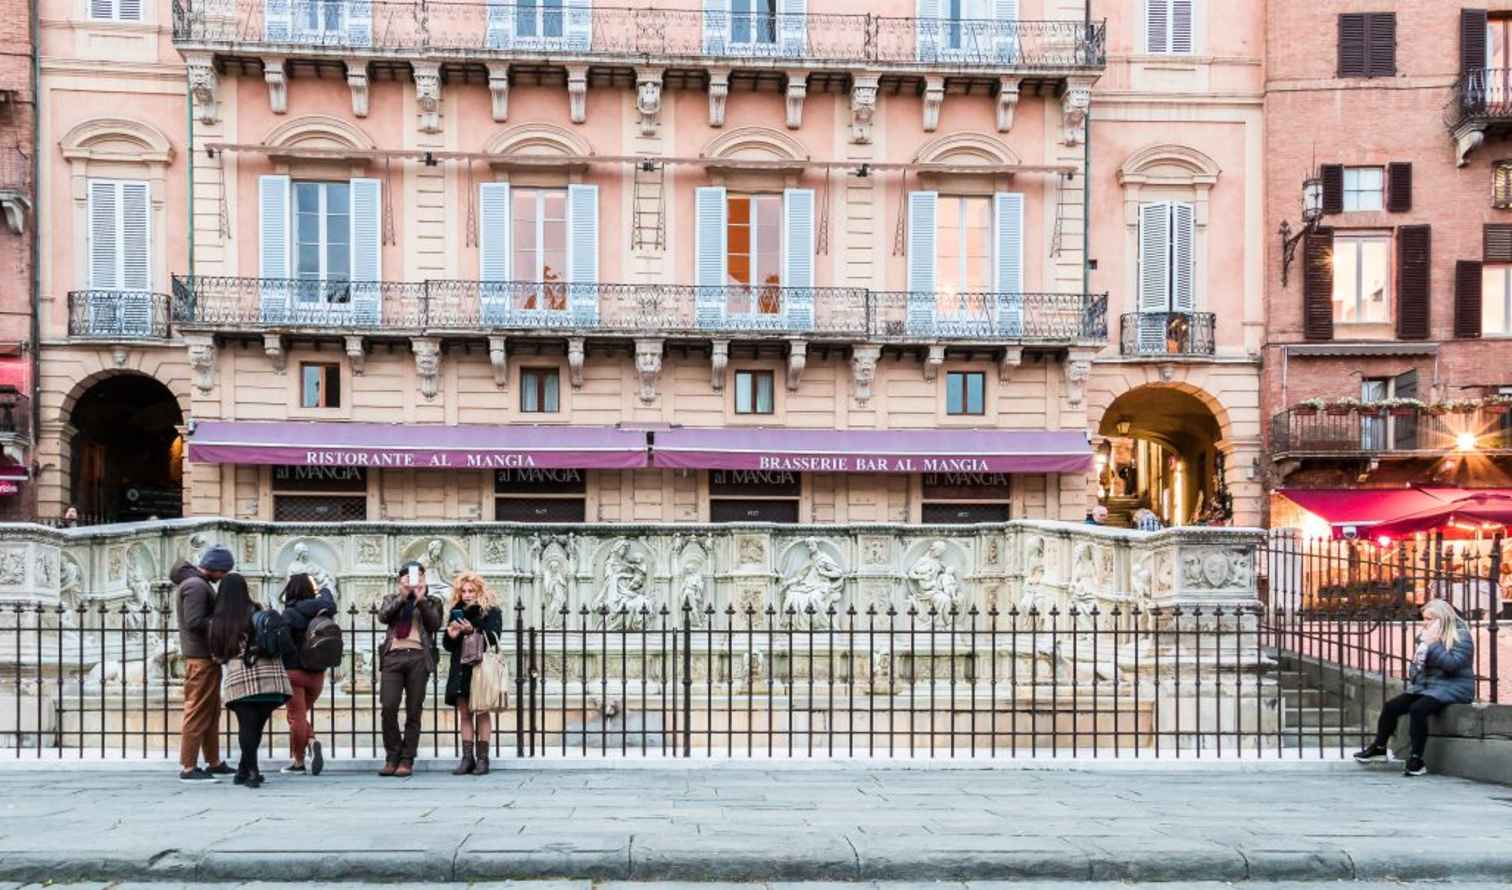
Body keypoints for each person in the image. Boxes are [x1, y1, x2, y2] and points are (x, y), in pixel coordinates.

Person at [1354, 599, 1476, 776]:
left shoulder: (1460, 636)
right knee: (1392, 706)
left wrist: (1433, 644)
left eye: (1430, 619)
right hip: (1428, 687)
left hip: (1454, 687)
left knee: (1418, 709)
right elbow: (1417, 669)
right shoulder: (1426, 637)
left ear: (1443, 618)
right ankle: (1379, 748)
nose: (1426, 623)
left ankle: (1416, 759)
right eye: (1424, 619)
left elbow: (1453, 665)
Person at [208, 572, 292, 789]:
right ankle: (244, 769)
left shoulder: (219, 619)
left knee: (246, 725)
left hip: (239, 676)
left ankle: (252, 771)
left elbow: (217, 655)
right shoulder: (257, 609)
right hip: (269, 676)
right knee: (255, 726)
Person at [170, 544, 236, 783]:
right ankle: (188, 767)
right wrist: (223, 621)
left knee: (211, 712)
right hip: (200, 659)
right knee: (197, 711)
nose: (224, 577)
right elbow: (195, 621)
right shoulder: (197, 586)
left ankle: (214, 762)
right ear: (216, 569)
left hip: (206, 658)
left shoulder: (197, 583)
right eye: (225, 572)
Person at [377, 561, 443, 777]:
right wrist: (403, 596)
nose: (413, 581)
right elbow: (384, 616)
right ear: (400, 580)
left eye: (418, 577)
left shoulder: (432, 601)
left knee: (414, 710)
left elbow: (434, 624)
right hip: (393, 657)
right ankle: (392, 755)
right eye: (408, 577)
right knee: (388, 706)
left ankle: (407, 758)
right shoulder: (391, 599)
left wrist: (421, 599)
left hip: (418, 657)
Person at [441, 572, 504, 776]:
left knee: (483, 712)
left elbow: (492, 639)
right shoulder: (456, 611)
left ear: (479, 591)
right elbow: (448, 646)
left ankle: (483, 759)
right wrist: (451, 635)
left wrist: (472, 631)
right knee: (465, 713)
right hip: (460, 667)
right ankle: (467, 758)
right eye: (463, 591)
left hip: (479, 668)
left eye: (471, 591)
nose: (467, 595)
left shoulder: (491, 611)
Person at [279, 572, 336, 776]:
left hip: (294, 673)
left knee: (296, 718)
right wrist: (322, 589)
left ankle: (299, 761)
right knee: (299, 717)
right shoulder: (322, 611)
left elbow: (282, 643)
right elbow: (331, 602)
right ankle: (310, 742)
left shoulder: (288, 614)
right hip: (317, 674)